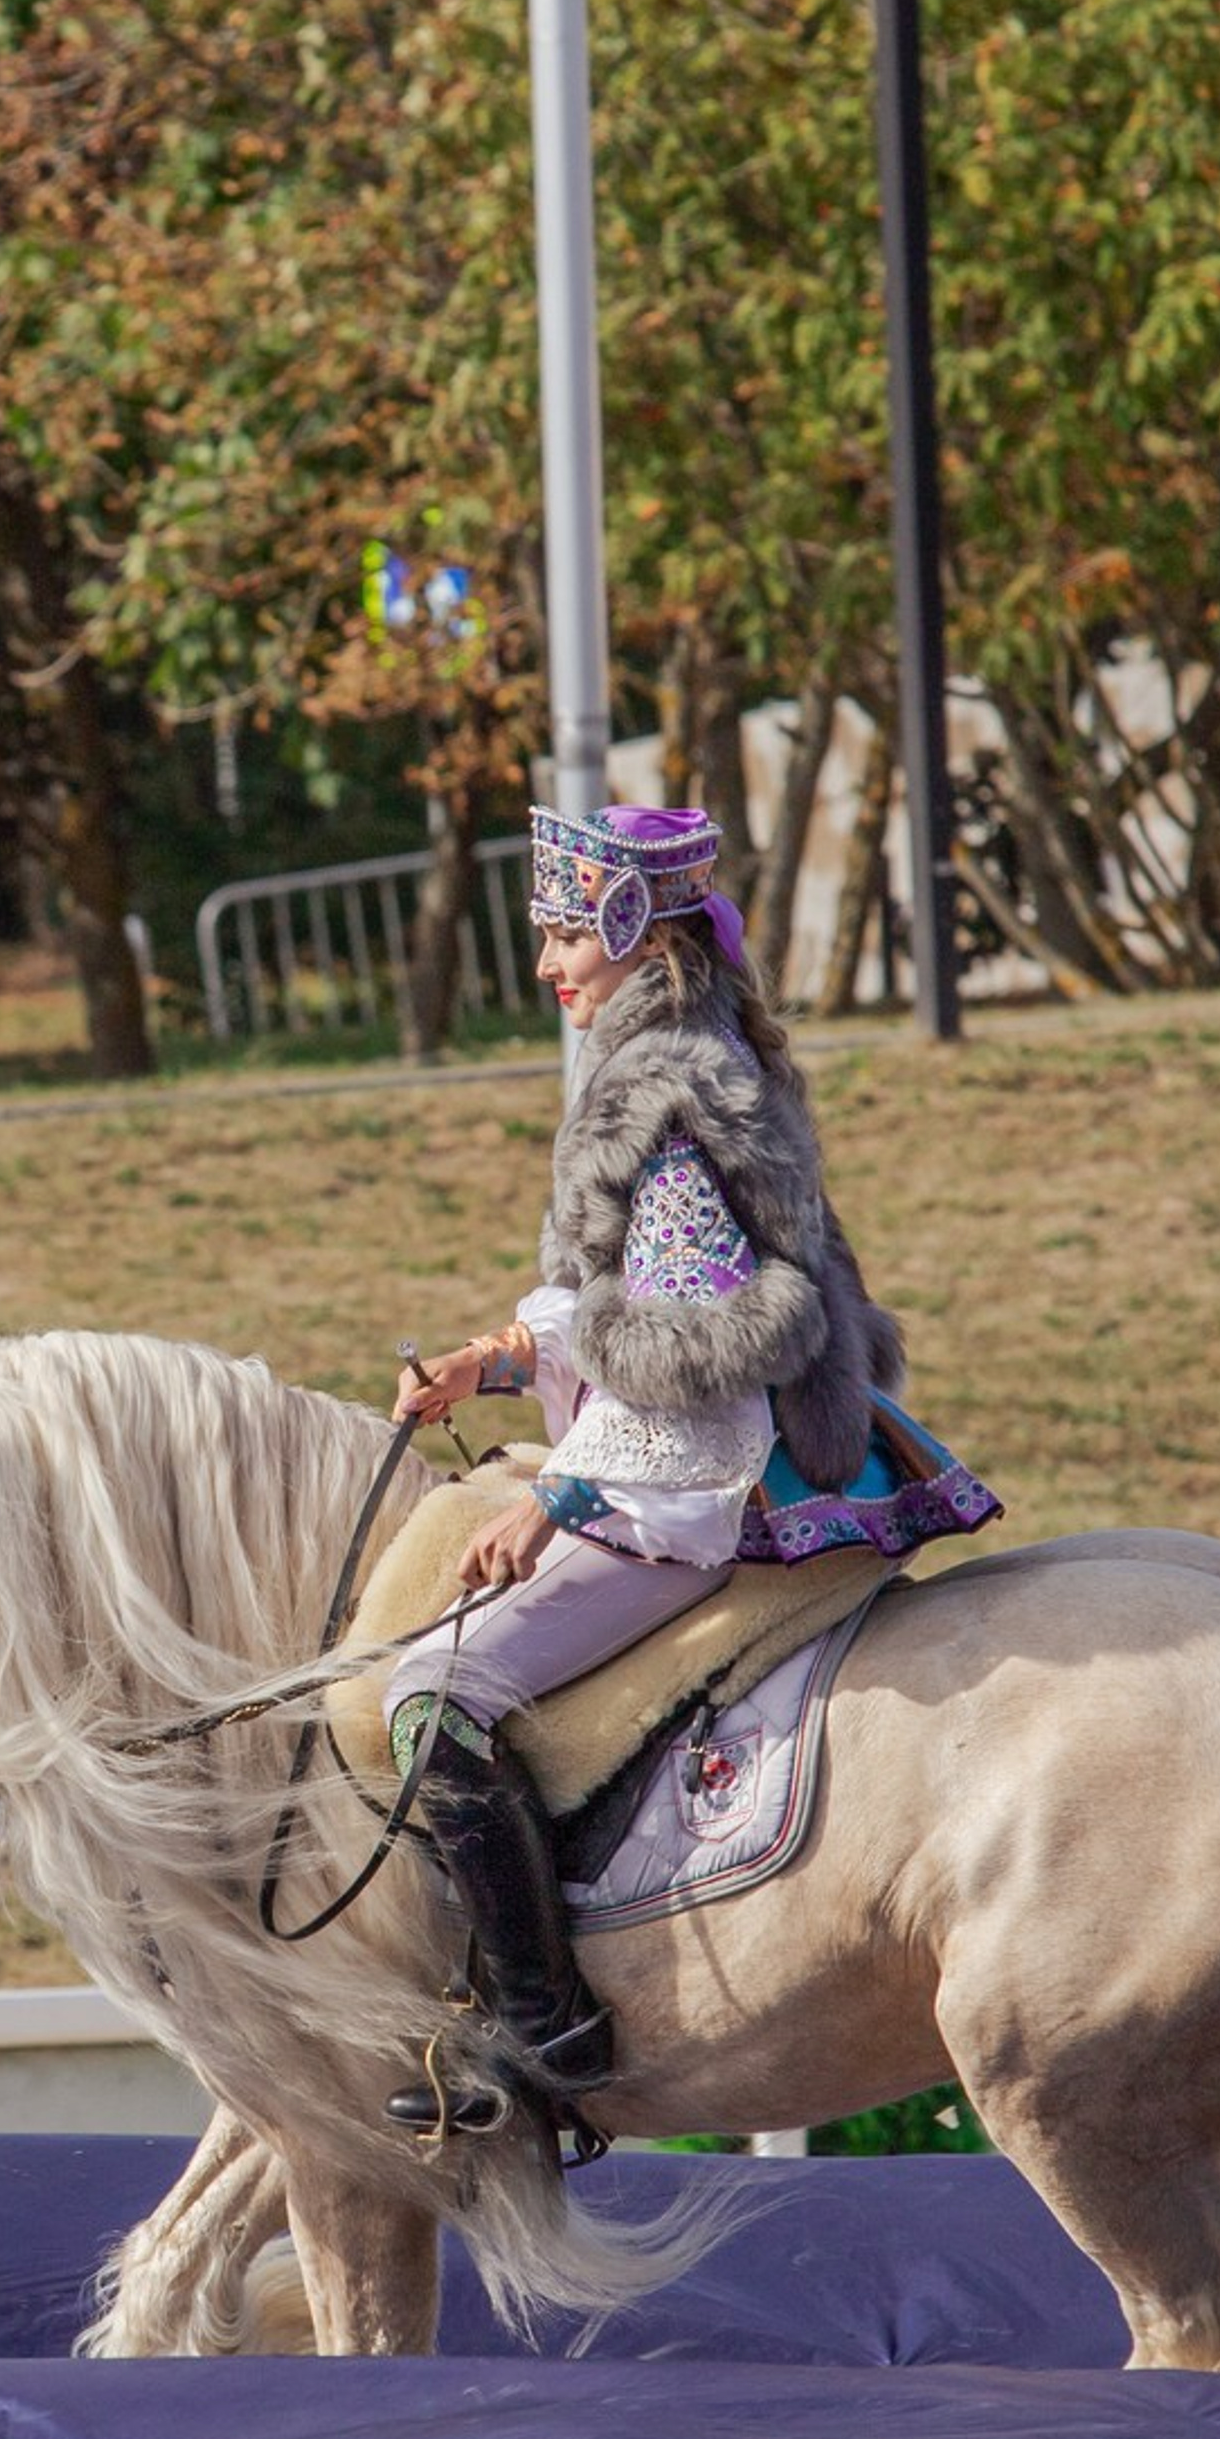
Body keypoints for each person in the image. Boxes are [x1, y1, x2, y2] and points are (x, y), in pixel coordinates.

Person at [381, 801, 998, 2102]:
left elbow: (697, 1357)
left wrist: (556, 1495)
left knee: (434, 1699)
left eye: (559, 937)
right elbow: (624, 1310)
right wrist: (494, 1362)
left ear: (628, 934)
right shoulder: (690, 1058)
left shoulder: (662, 1091)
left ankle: (539, 2030)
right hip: (737, 1456)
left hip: (695, 1488)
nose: (547, 966)